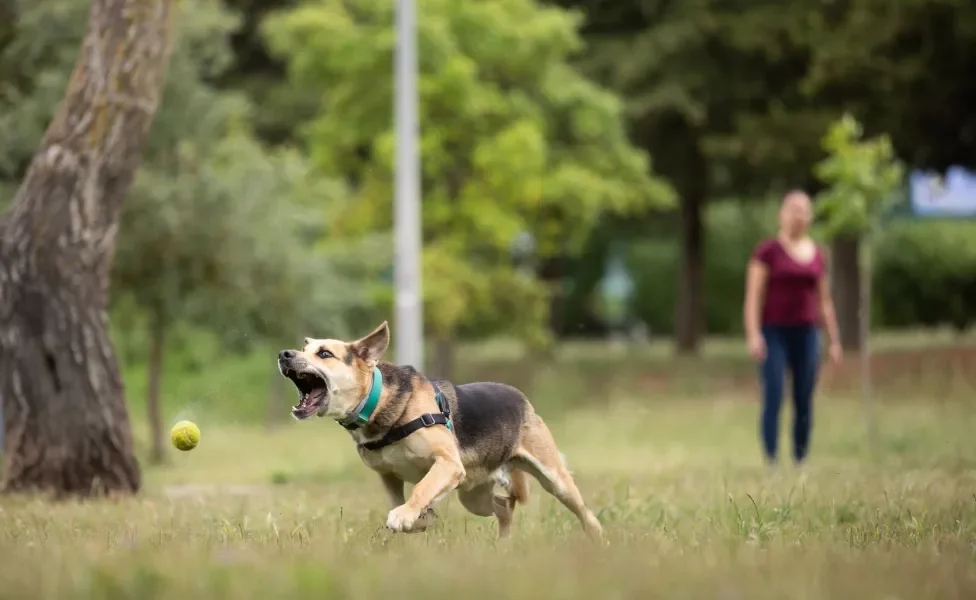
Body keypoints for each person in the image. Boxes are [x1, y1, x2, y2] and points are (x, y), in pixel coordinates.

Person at [743, 190, 843, 467]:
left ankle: (800, 458)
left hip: (807, 333)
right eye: (792, 209)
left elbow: (824, 301)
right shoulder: (767, 251)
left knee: (804, 396)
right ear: (781, 214)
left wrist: (834, 339)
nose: (798, 215)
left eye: (803, 210)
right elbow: (753, 297)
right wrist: (753, 335)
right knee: (774, 393)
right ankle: (771, 459)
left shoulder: (818, 254)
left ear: (810, 216)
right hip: (773, 332)